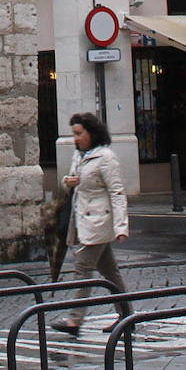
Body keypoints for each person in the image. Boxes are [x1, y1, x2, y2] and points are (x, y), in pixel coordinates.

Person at [50, 111, 131, 338]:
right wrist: (69, 182)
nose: (75, 138)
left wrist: (121, 226)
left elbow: (117, 191)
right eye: (74, 134)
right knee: (110, 272)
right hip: (82, 219)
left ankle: (75, 319)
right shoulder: (80, 156)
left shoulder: (105, 157)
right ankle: (128, 316)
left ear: (91, 133)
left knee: (83, 268)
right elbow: (71, 180)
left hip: (98, 221)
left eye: (79, 133)